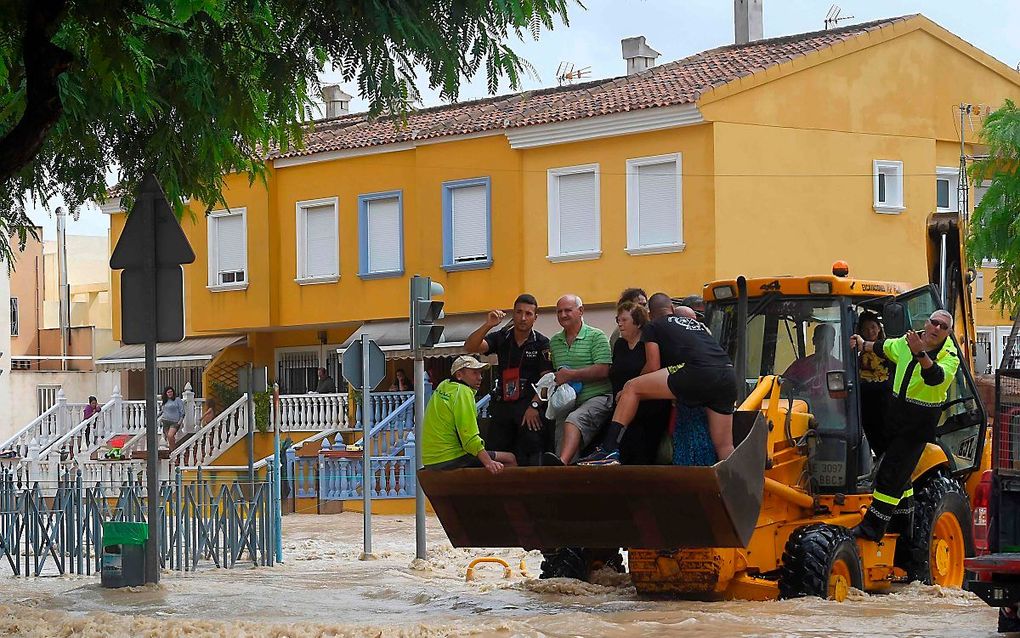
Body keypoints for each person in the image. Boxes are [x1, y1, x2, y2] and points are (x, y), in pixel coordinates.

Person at [580, 294, 737, 465]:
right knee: (725, 446)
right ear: (671, 309)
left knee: (632, 387)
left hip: (697, 371)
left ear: (650, 314)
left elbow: (653, 366)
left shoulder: (653, 326)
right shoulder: (696, 325)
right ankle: (742, 486)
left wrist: (627, 392)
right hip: (727, 373)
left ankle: (608, 449)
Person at [849, 309, 960, 541]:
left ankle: (873, 527)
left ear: (948, 332)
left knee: (890, 474)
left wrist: (919, 353)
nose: (937, 328)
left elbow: (935, 378)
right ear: (926, 322)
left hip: (918, 424)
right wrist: (863, 344)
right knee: (902, 476)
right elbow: (883, 347)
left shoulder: (950, 355)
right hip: (895, 416)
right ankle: (903, 524)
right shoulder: (905, 341)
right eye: (934, 322)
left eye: (943, 326)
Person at [464, 294, 553, 466]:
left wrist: (535, 406)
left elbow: (548, 380)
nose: (523, 318)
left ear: (535, 317)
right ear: (513, 313)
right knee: (496, 454)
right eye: (519, 312)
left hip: (528, 407)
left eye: (528, 314)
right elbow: (470, 346)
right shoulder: (502, 337)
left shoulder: (542, 343)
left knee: (532, 454)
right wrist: (489, 324)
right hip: (503, 406)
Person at [545, 294, 613, 465]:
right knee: (561, 430)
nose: (563, 315)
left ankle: (563, 462)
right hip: (568, 402)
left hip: (597, 398)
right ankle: (564, 479)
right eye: (559, 311)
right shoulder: (554, 342)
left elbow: (604, 370)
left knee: (574, 419)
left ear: (581, 311)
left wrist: (571, 375)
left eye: (568, 310)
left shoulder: (596, 336)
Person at [421, 355, 517, 474]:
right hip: (450, 458)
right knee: (510, 459)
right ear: (459, 375)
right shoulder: (463, 392)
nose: (480, 378)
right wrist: (489, 462)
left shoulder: (444, 385)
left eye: (480, 373)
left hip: (430, 459)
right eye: (475, 373)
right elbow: (469, 437)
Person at [609, 302, 671, 464]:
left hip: (648, 408)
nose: (619, 324)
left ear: (637, 322)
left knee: (643, 454)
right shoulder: (619, 345)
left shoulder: (649, 345)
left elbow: (654, 368)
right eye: (618, 320)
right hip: (621, 407)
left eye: (624, 320)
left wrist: (630, 388)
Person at [857, 311, 894, 456]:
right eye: (865, 329)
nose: (870, 331)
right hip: (866, 402)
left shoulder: (888, 347)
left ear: (879, 328)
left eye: (873, 327)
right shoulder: (857, 352)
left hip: (887, 401)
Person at [783, 324, 841, 392]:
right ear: (814, 340)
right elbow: (783, 385)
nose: (825, 343)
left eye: (829, 339)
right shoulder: (799, 365)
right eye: (821, 338)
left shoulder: (839, 367)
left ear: (833, 343)